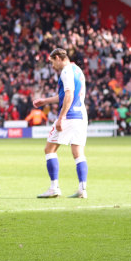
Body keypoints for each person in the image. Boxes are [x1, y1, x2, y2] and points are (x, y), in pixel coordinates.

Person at [32, 48, 89, 199]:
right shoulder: (77, 70)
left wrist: (61, 117)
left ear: (58, 58)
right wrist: (45, 101)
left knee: (49, 149)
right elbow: (65, 95)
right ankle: (82, 189)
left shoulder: (65, 71)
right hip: (81, 116)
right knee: (78, 153)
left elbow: (69, 95)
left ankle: (54, 187)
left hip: (69, 116)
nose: (52, 66)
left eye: (52, 62)